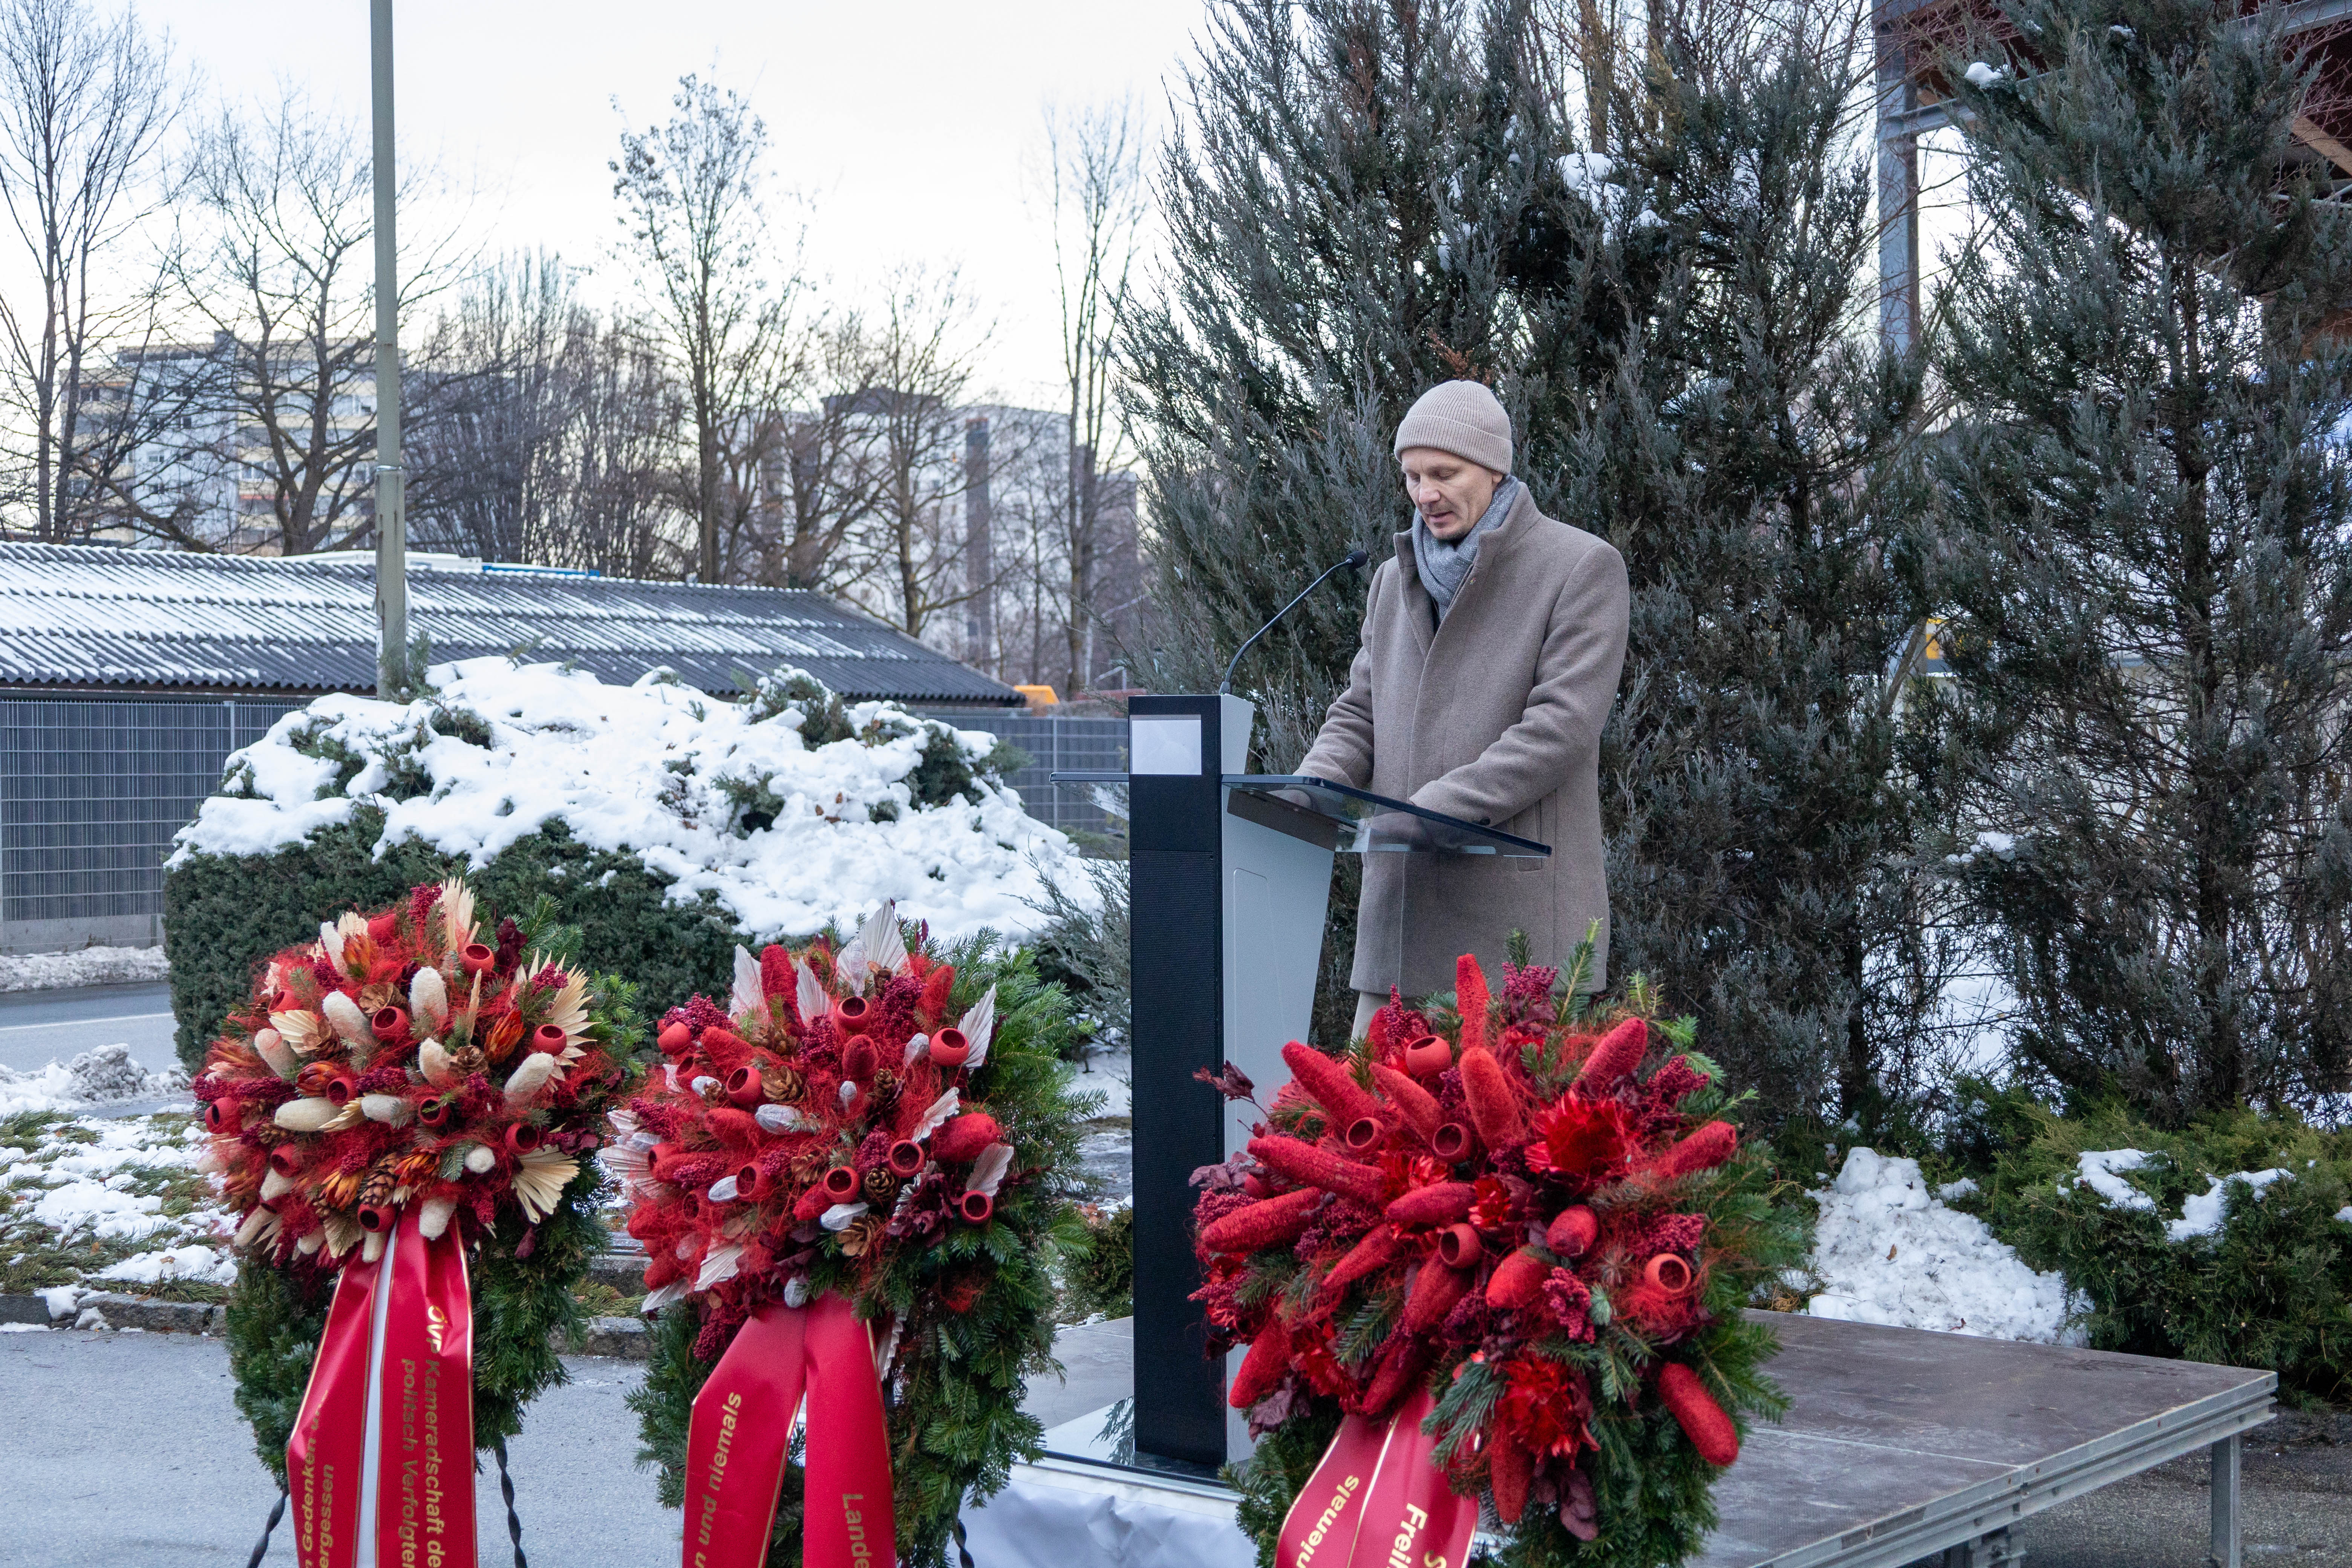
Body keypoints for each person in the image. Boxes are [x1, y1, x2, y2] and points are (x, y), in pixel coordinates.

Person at [1295, 380, 1630, 1040]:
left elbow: (1560, 729)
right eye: (1413, 476)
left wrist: (1431, 811)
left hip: (1518, 945)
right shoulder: (1392, 581)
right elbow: (1359, 712)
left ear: (1494, 468)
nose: (1425, 494)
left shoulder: (1581, 566)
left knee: (1507, 1115)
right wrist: (1308, 789)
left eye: (1444, 474)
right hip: (1400, 930)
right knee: (1358, 1106)